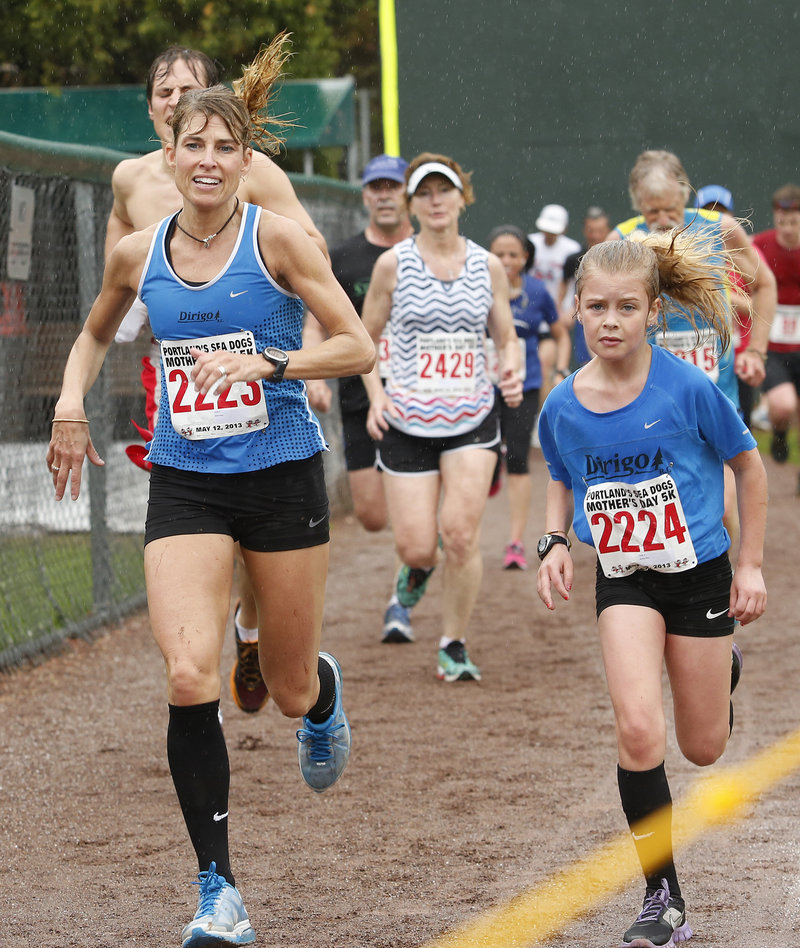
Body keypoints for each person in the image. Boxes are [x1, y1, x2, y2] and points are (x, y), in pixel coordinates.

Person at [47, 66, 374, 947]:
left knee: (289, 682)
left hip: (280, 478)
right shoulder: (136, 251)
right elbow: (90, 333)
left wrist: (271, 367)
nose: (208, 159)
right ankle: (218, 894)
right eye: (194, 143)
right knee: (191, 674)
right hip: (187, 481)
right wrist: (71, 401)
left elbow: (355, 342)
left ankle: (322, 693)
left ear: (243, 160)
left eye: (226, 147)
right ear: (170, 148)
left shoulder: (280, 242)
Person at [536, 233, 767, 948]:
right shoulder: (562, 404)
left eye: (626, 307)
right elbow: (560, 473)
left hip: (699, 573)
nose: (610, 320)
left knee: (702, 748)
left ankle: (720, 667)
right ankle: (662, 896)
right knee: (638, 729)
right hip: (626, 577)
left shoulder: (688, 388)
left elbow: (749, 469)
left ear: (655, 313)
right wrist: (553, 542)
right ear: (576, 310)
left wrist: (751, 567)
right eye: (596, 306)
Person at [108, 37, 329, 717]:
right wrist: (125, 309)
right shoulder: (130, 178)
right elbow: (123, 242)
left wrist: (301, 349)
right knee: (199, 520)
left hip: (261, 377)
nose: (176, 100)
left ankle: (255, 628)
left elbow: (311, 256)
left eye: (189, 88)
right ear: (154, 114)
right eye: (164, 92)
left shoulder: (243, 173)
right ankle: (207, 647)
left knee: (255, 539)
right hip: (180, 377)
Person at [361, 153, 522, 680]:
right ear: (412, 204)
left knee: (460, 534)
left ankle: (453, 643)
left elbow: (505, 335)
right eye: (424, 193)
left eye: (444, 191)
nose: (435, 201)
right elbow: (366, 339)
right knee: (416, 545)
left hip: (472, 416)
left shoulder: (487, 265)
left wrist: (512, 370)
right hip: (407, 418)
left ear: (461, 198)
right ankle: (414, 572)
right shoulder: (393, 265)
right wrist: (376, 396)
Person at [610, 150, 776, 547]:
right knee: (655, 508)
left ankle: (728, 590)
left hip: (714, 392)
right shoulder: (623, 239)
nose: (662, 220)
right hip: (649, 395)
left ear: (685, 195)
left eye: (670, 208)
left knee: (721, 508)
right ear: (637, 204)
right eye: (652, 212)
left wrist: (757, 352)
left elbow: (764, 285)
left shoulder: (718, 229)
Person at [487, 225, 569, 570]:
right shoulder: (476, 287)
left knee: (518, 458)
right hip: (481, 386)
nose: (506, 261)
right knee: (483, 455)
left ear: (525, 258)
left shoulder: (537, 292)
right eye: (499, 254)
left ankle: (515, 542)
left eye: (513, 254)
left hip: (525, 384)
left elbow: (560, 333)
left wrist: (560, 369)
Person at [696, 185, 760, 429]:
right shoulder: (682, 255)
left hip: (739, 350)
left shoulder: (744, 255)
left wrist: (722, 297)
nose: (715, 220)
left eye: (721, 213)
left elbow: (759, 304)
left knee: (741, 424)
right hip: (700, 352)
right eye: (708, 213)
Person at [752, 183, 800, 469]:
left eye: (794, 222)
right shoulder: (760, 245)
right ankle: (780, 433)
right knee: (783, 406)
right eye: (782, 222)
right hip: (774, 345)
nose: (787, 229)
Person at [528, 204, 582, 407]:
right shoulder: (530, 244)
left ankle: (544, 415)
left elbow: (577, 284)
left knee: (547, 368)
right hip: (530, 315)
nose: (549, 234)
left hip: (556, 317)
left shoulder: (572, 250)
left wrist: (570, 312)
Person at [558, 206, 612, 368]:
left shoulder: (618, 257)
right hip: (585, 315)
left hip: (612, 312)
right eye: (591, 230)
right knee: (588, 363)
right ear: (584, 230)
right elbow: (563, 287)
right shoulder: (574, 259)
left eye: (599, 230)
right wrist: (562, 311)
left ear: (607, 230)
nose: (595, 235)